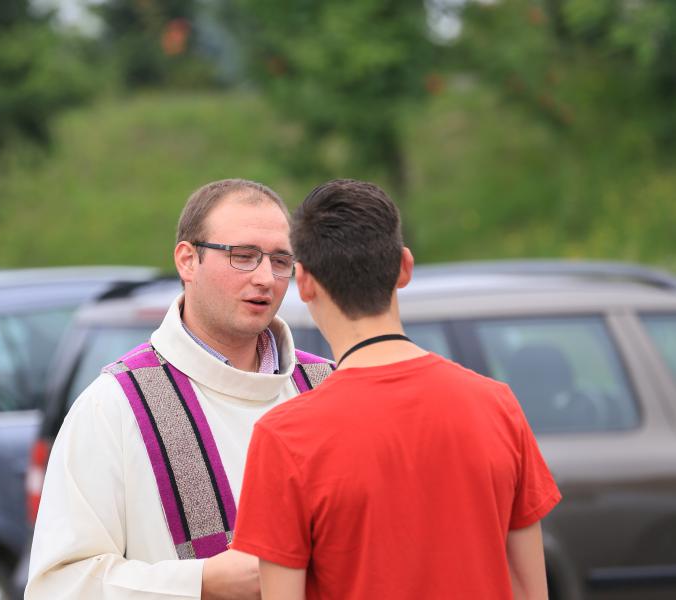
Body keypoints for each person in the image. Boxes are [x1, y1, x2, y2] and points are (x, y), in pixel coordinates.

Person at [230, 179, 561, 600]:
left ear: (305, 281)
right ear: (404, 267)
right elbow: (533, 590)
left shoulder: (285, 437)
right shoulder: (497, 405)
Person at [26, 179, 333, 600]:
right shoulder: (115, 406)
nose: (266, 277)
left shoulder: (328, 390)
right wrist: (200, 583)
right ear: (188, 260)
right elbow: (57, 587)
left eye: (281, 260)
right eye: (243, 256)